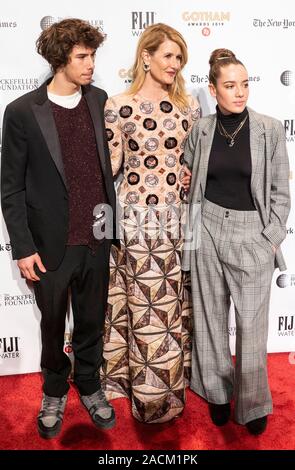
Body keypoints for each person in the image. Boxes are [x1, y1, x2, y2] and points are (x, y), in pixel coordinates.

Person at [1, 18, 118, 439]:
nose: (90, 64)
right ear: (59, 59)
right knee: (52, 324)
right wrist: (22, 247)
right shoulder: (21, 112)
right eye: (82, 57)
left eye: (92, 55)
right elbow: (10, 187)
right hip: (50, 244)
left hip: (98, 237)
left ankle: (89, 382)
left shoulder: (100, 99)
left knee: (91, 320)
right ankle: (54, 388)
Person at [182, 48, 290, 435]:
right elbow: (189, 182)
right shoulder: (202, 130)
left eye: (244, 84)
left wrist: (269, 240)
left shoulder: (270, 129)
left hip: (251, 234)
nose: (240, 92)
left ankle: (253, 401)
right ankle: (217, 393)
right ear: (213, 90)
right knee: (210, 319)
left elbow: (281, 193)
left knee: (252, 326)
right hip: (207, 227)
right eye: (230, 85)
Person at [101, 23, 200, 423]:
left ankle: (173, 384)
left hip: (177, 221)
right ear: (146, 56)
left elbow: (192, 163)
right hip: (135, 221)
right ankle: (146, 395)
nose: (174, 64)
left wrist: (190, 173)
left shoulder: (189, 106)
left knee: (171, 305)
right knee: (143, 307)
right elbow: (109, 169)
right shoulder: (117, 105)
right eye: (168, 56)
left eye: (179, 58)